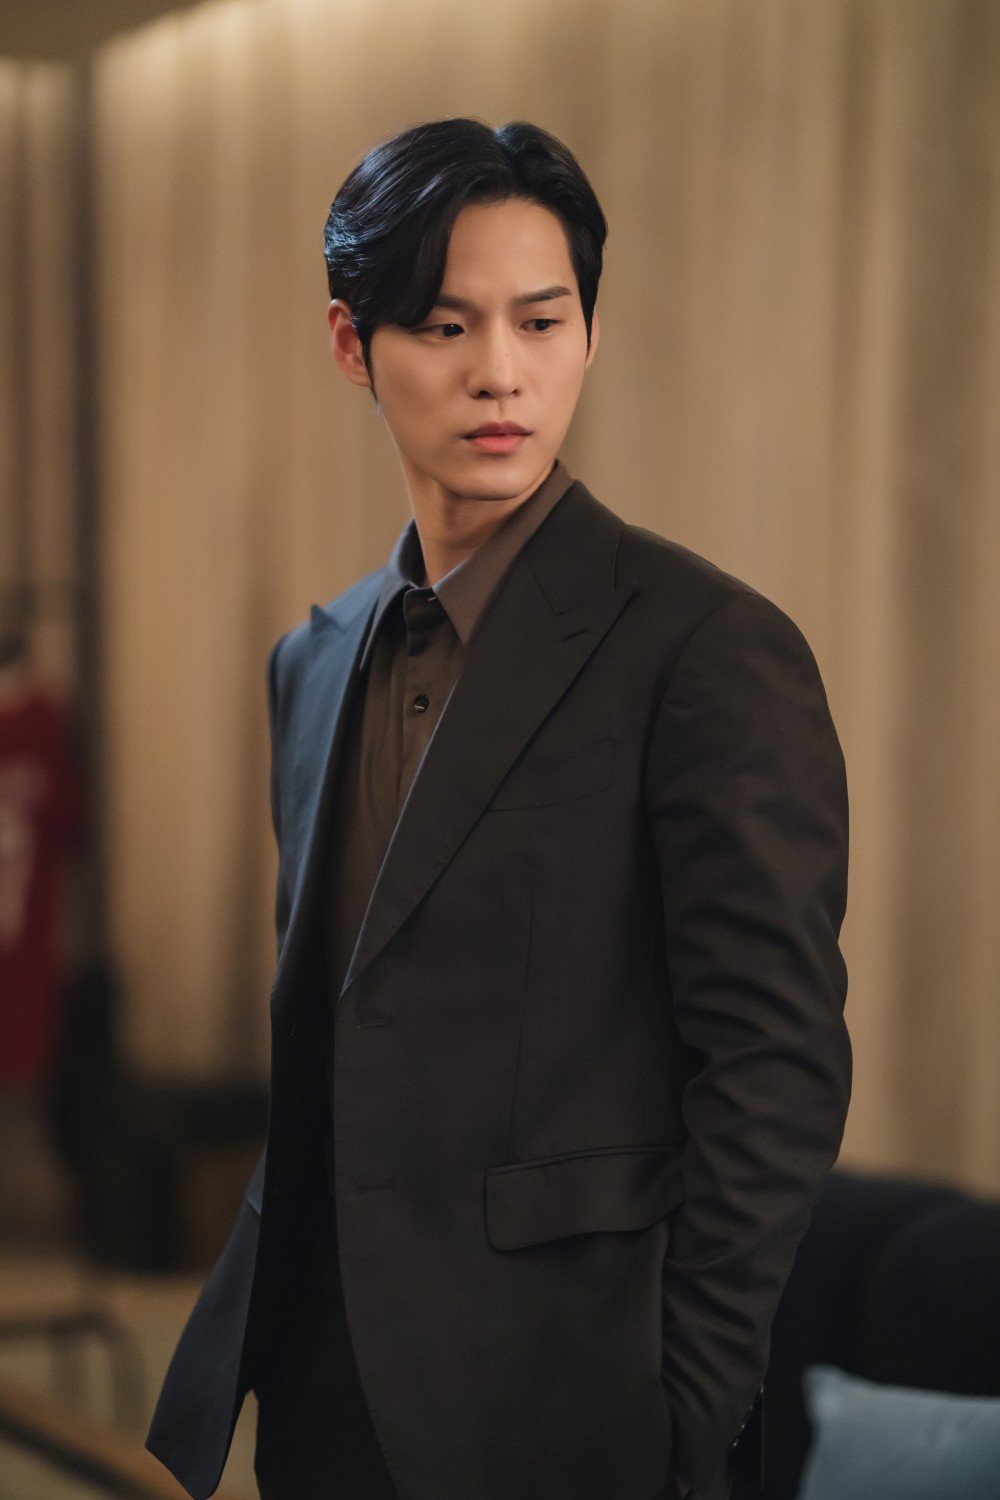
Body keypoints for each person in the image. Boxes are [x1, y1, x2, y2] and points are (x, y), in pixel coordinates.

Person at [146, 117, 851, 1500]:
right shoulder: (310, 663)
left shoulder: (705, 650)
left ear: (590, 333)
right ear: (352, 345)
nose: (500, 373)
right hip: (322, 1393)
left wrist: (686, 1409)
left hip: (571, 1405)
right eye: (444, 325)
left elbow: (776, 1063)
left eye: (541, 320)